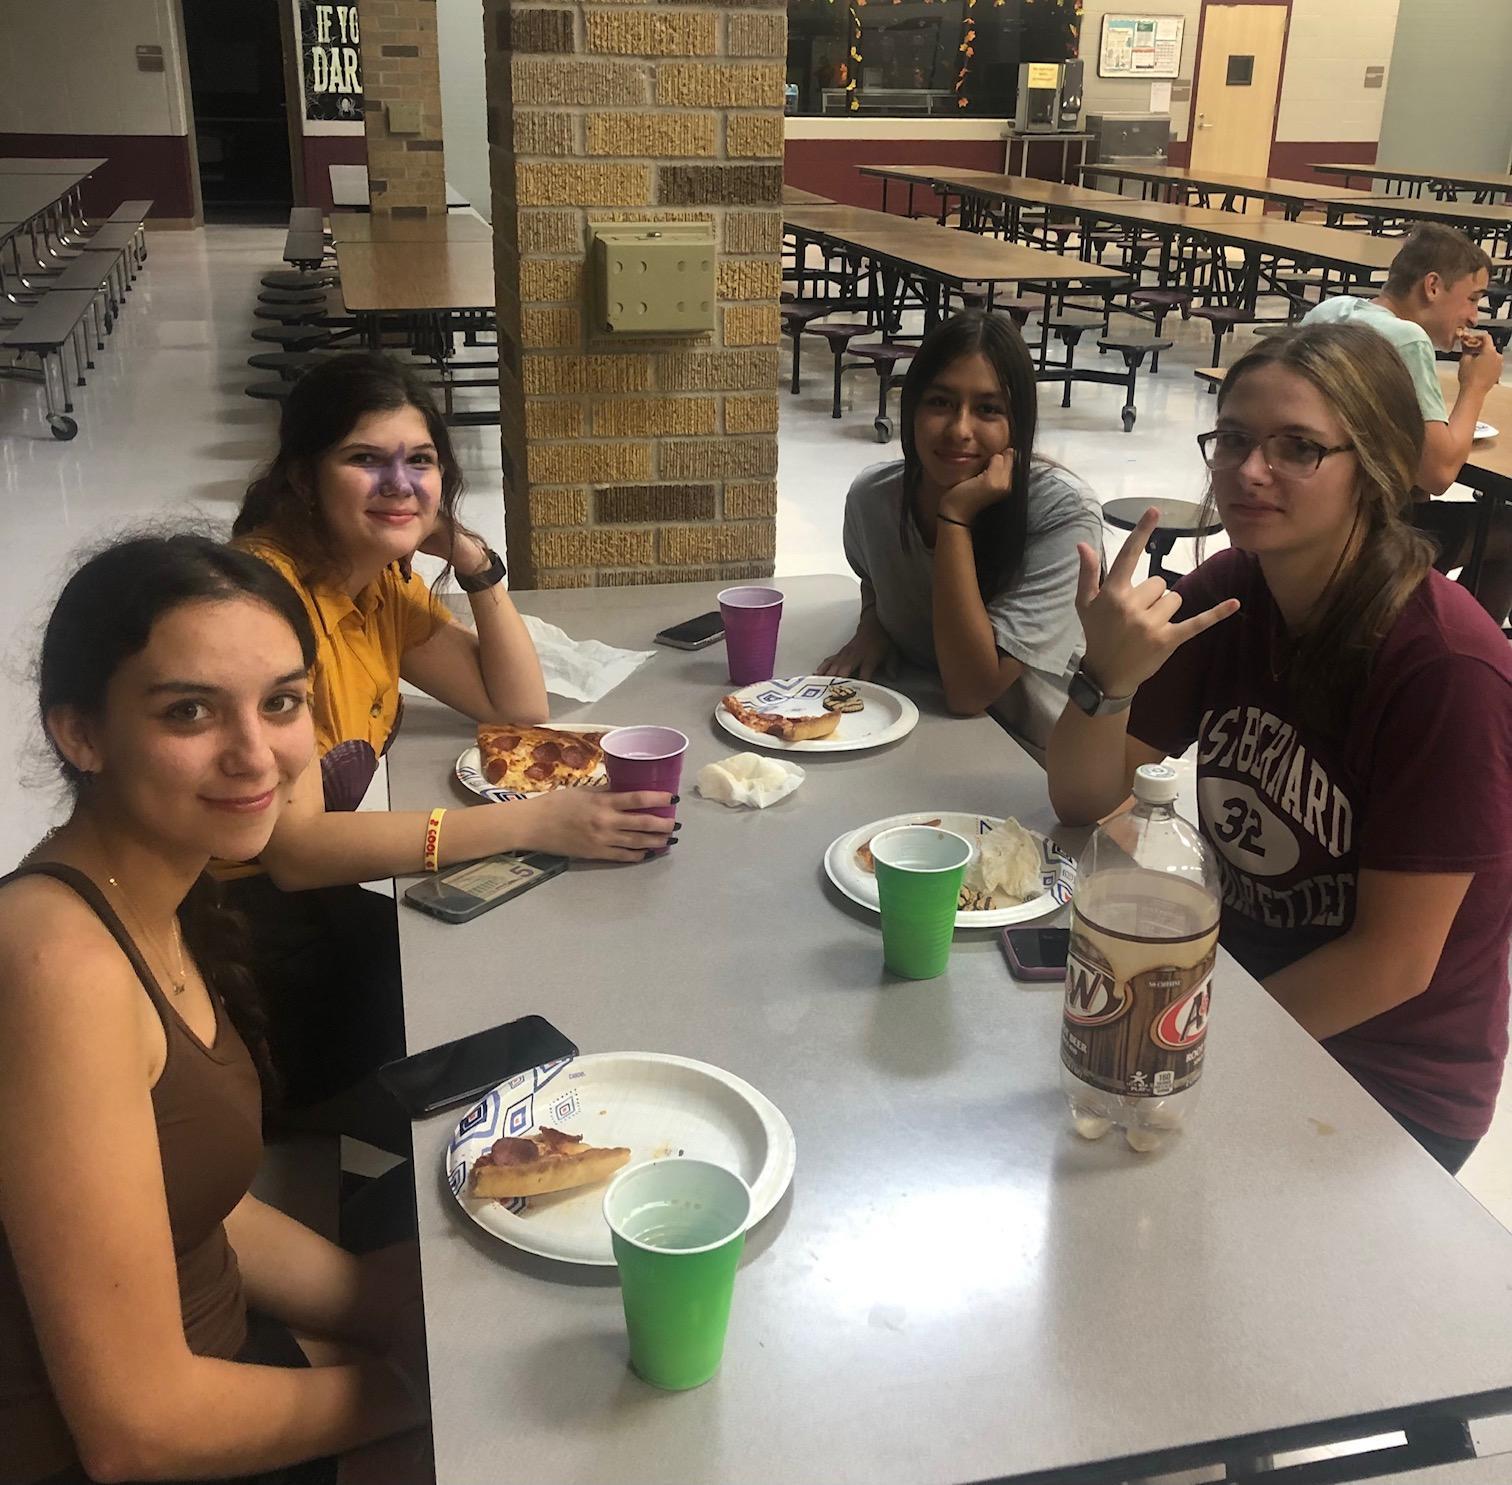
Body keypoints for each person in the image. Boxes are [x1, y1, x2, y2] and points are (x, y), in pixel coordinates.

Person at [0, 536, 428, 1485]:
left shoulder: (154, 883)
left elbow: (187, 1198)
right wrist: (417, 1388)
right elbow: (137, 1431)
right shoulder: (57, 960)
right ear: (80, 733)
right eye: (189, 710)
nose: (254, 753)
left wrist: (370, 1300)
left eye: (280, 702)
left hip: (218, 1357)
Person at [1047, 323, 1512, 1173]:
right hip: (1235, 997)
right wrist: (1104, 678)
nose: (1249, 471)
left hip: (1385, 1081)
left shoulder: (1445, 670)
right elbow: (1083, 800)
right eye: (1232, 439)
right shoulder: (1233, 593)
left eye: (1298, 447)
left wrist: (1168, 1032)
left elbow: (1394, 962)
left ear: (1371, 469)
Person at [227, 355, 673, 1137]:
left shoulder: (372, 578)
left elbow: (516, 707)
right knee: (505, 1048)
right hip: (241, 945)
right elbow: (293, 851)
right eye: (366, 459)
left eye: (421, 461)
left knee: (528, 980)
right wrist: (533, 822)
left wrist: (473, 561)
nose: (400, 483)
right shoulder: (272, 607)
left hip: (304, 907)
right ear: (302, 477)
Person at [819, 309, 1103, 756]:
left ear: (1019, 424)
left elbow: (971, 692)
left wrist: (955, 519)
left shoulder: (1063, 514)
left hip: (1035, 760)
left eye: (989, 409)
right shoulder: (873, 498)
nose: (960, 430)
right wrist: (874, 624)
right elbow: (875, 577)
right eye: (940, 402)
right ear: (911, 407)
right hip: (919, 734)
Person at [1303, 224, 1511, 622]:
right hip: (1366, 534)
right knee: (1507, 531)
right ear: (1432, 286)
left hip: (1317, 517)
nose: (1473, 315)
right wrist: (1476, 386)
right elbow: (1438, 473)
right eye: (1471, 299)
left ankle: (1422, 617)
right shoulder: (1407, 340)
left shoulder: (1331, 311)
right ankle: (1461, 649)